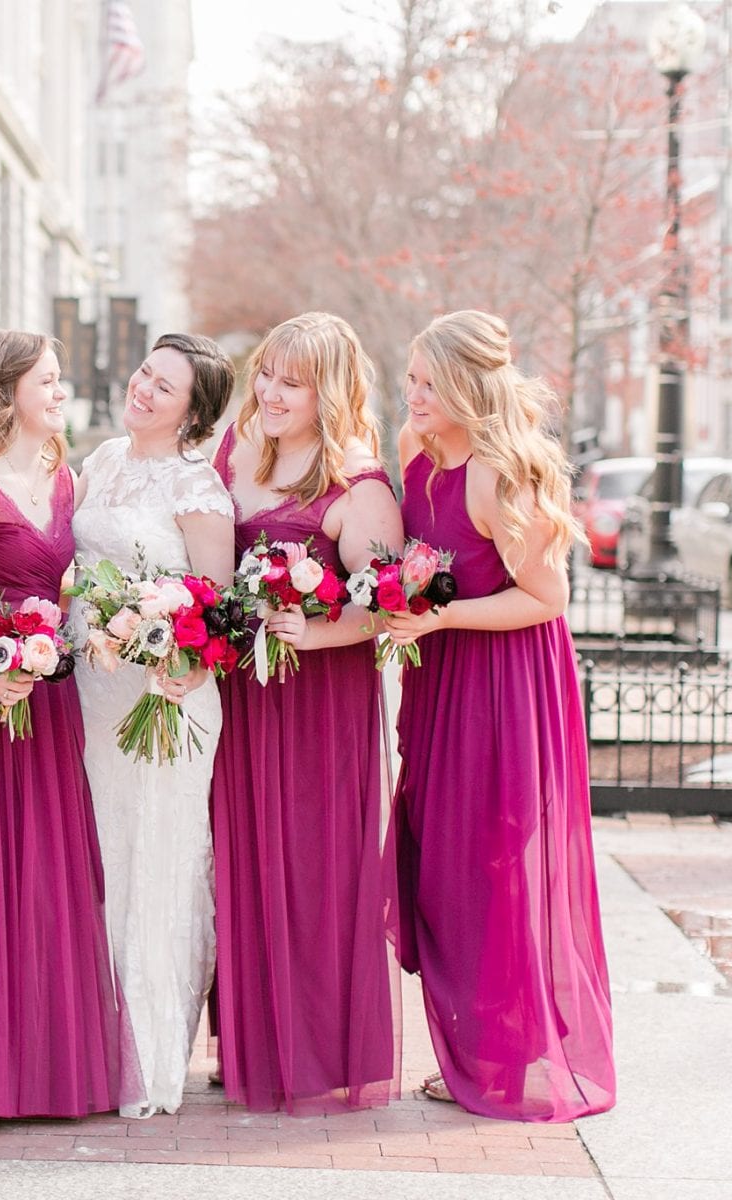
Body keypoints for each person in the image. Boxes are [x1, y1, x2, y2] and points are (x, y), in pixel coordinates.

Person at [384, 310, 616, 1122]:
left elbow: (545, 600)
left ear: (468, 387)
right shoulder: (417, 459)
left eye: (428, 382)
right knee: (444, 860)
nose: (412, 394)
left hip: (507, 687)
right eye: (409, 378)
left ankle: (506, 1061)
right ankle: (472, 1050)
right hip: (444, 682)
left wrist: (444, 619)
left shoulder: (499, 473)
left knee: (494, 865)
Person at [0, 331, 127, 1118]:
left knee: (48, 877)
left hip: (49, 701)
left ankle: (46, 1067)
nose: (63, 390)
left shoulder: (62, 477)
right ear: (5, 393)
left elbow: (65, 584)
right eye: (49, 379)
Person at [210, 312, 403, 1114]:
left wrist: (312, 632)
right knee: (241, 866)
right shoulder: (236, 452)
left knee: (315, 870)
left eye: (293, 381)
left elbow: (390, 608)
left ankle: (318, 1051)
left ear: (330, 392)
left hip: (319, 708)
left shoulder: (358, 483)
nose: (271, 392)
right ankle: (249, 1042)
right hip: (242, 698)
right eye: (267, 373)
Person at [72, 332, 235, 1118]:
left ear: (193, 412)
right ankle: (85, 1041)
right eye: (144, 372)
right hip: (94, 690)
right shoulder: (98, 462)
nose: (143, 389)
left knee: (156, 855)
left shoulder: (197, 488)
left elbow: (218, 608)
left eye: (164, 387)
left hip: (165, 700)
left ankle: (148, 1053)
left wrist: (183, 657)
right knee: (98, 854)